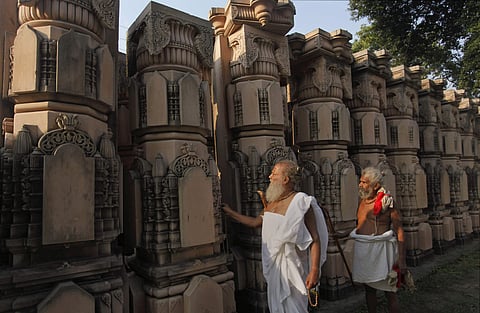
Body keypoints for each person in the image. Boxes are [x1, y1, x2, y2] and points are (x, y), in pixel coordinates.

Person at [222, 159, 329, 313]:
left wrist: (314, 270)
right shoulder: (271, 204)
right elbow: (255, 222)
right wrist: (230, 213)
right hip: (275, 268)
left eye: (274, 174)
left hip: (295, 268)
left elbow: (315, 239)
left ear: (286, 179)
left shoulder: (301, 202)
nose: (269, 177)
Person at [350, 167, 406, 313]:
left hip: (384, 253)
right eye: (360, 181)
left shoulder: (387, 202)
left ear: (375, 186)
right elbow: (360, 225)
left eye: (364, 182)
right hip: (365, 253)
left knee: (391, 293)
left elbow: (399, 230)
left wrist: (401, 260)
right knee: (369, 290)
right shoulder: (362, 200)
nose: (360, 185)